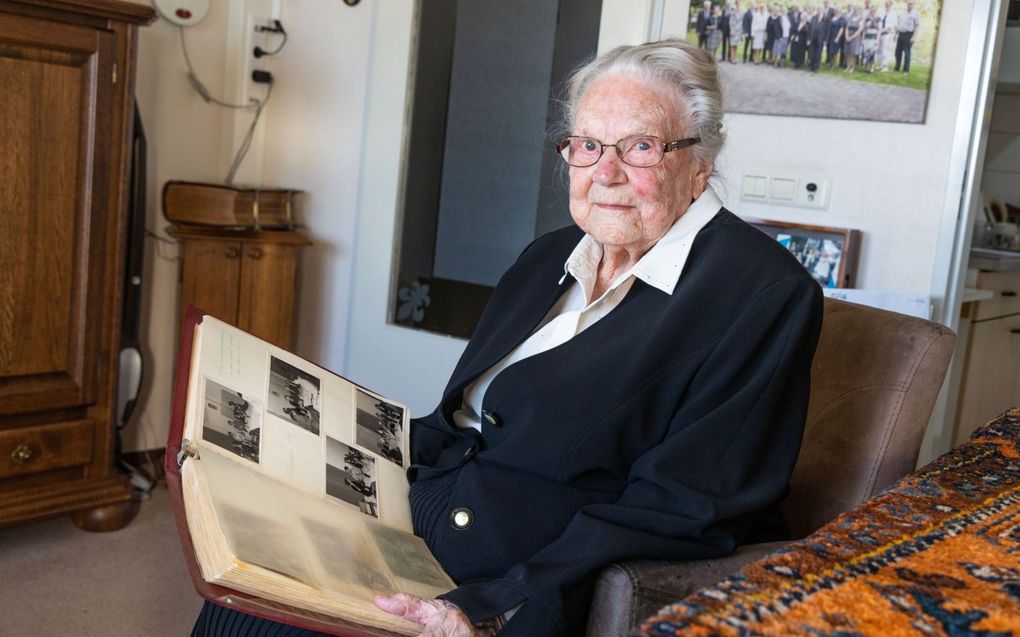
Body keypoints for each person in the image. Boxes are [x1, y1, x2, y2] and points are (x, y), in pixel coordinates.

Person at [191, 38, 823, 637]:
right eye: (586, 145)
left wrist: (497, 604)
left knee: (275, 617)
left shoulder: (759, 293)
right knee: (252, 582)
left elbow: (686, 505)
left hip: (507, 560)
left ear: (700, 161)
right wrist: (301, 452)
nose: (605, 172)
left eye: (640, 147)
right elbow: (457, 422)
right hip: (418, 507)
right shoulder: (549, 256)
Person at [895, 0, 921, 74]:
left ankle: (905, 70)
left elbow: (917, 26)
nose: (909, 5)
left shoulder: (916, 13)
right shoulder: (903, 12)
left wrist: (914, 37)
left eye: (911, 4)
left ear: (914, 4)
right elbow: (899, 24)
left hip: (909, 34)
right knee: (897, 52)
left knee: (907, 53)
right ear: (906, 4)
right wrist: (896, 34)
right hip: (901, 34)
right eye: (908, 3)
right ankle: (897, 67)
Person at [841, 5, 863, 73]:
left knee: (853, 53)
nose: (855, 11)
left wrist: (852, 37)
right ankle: (847, 66)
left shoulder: (861, 19)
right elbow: (847, 28)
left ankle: (852, 67)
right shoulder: (850, 18)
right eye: (855, 10)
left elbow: (860, 29)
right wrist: (847, 36)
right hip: (848, 37)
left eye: (857, 10)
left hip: (855, 37)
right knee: (848, 53)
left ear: (859, 11)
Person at [878, 0, 897, 71]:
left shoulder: (893, 14)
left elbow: (894, 25)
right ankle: (881, 64)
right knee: (879, 50)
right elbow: (879, 21)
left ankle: (885, 66)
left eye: (888, 5)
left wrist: (886, 29)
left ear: (891, 5)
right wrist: (880, 30)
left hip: (888, 34)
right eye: (886, 4)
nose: (887, 6)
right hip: (880, 33)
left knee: (885, 50)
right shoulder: (882, 13)